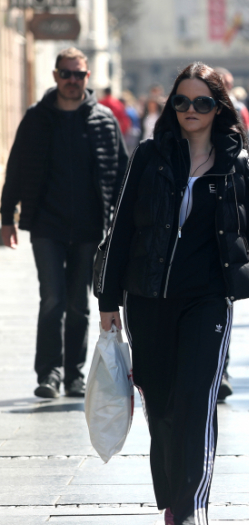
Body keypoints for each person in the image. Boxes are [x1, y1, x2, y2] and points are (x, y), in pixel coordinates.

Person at [94, 62, 249, 525]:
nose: (190, 109)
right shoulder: (149, 155)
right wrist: (107, 300)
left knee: (197, 402)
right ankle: (171, 500)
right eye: (181, 101)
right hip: (148, 300)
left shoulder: (234, 161)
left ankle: (190, 507)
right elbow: (121, 227)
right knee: (160, 405)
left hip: (208, 300)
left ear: (219, 107)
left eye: (202, 101)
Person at [0, 47, 127, 399]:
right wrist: (6, 215)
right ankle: (49, 374)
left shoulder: (104, 119)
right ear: (55, 76)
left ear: (88, 78)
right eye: (66, 73)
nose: (73, 80)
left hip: (89, 228)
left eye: (79, 74)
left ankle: (74, 374)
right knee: (52, 298)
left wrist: (125, 223)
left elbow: (121, 175)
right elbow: (17, 168)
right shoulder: (36, 118)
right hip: (46, 225)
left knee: (78, 303)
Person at [215, 67, 249, 163]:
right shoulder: (202, 107)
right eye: (226, 83)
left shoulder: (240, 108)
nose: (229, 86)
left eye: (230, 83)